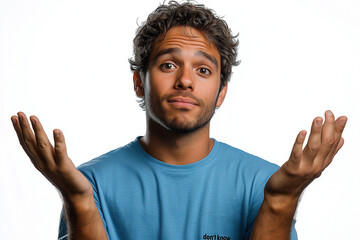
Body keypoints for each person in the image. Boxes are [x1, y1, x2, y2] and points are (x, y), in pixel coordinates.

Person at [11, 1, 347, 240]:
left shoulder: (264, 182)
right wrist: (79, 201)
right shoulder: (89, 184)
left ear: (221, 92)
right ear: (139, 81)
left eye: (203, 70)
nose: (185, 81)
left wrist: (281, 200)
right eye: (169, 65)